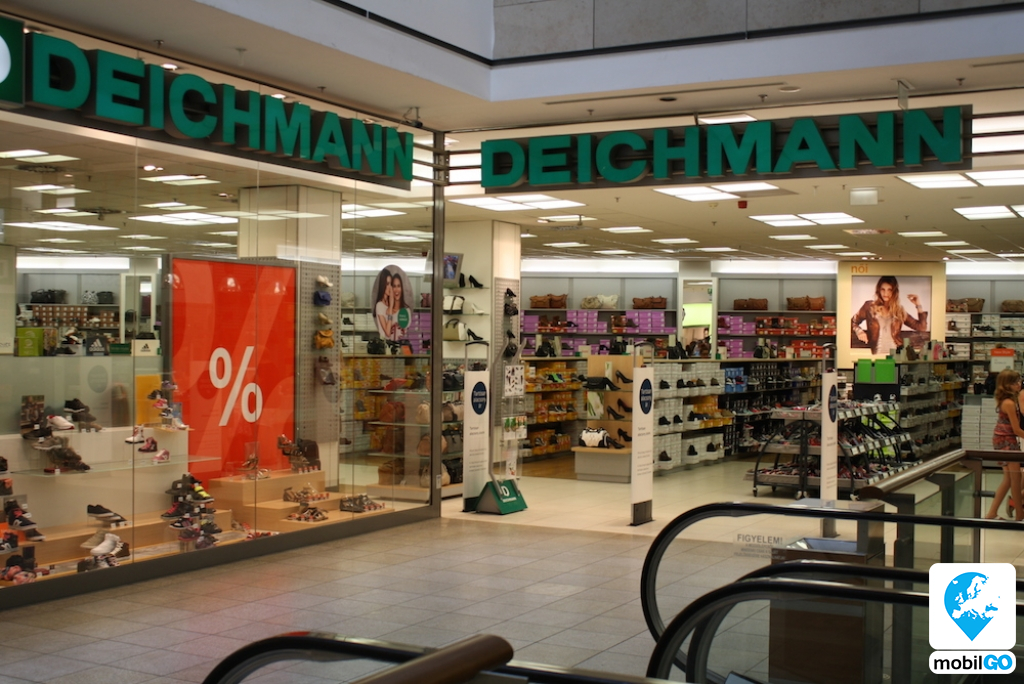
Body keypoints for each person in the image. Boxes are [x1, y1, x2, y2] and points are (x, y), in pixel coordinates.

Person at [851, 276, 928, 355]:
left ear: (894, 292)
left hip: (896, 355)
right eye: (883, 289)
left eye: (889, 290)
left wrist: (918, 305)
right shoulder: (869, 307)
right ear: (879, 290)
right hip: (877, 354)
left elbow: (922, 327)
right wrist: (859, 331)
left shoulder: (899, 311)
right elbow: (852, 322)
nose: (885, 293)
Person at [986, 369, 1024, 520]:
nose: (1019, 384)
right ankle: (1019, 515)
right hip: (1007, 440)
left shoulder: (1008, 401)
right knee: (1015, 479)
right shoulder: (1009, 403)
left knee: (1009, 479)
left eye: (1019, 381)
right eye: (1015, 382)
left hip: (1001, 439)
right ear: (1007, 385)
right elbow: (1016, 429)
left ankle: (992, 512)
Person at [386, 273, 408, 341]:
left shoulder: (406, 311)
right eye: (394, 286)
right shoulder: (386, 311)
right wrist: (391, 306)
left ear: (402, 288)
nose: (396, 289)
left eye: (399, 286)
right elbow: (386, 334)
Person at [374, 270, 393, 338]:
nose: (390, 287)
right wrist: (391, 307)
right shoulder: (379, 305)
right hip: (385, 342)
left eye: (391, 284)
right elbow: (387, 333)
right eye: (387, 284)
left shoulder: (389, 303)